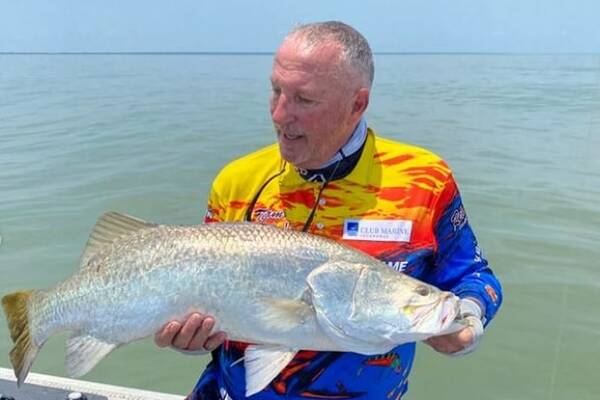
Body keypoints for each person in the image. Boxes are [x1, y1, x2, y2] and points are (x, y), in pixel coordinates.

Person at [155, 21, 502, 399]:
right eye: (276, 91)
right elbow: (206, 298)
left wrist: (468, 321)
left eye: (304, 100)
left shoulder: (423, 181)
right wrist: (192, 338)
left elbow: (473, 274)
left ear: (357, 104)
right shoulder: (237, 182)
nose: (279, 114)